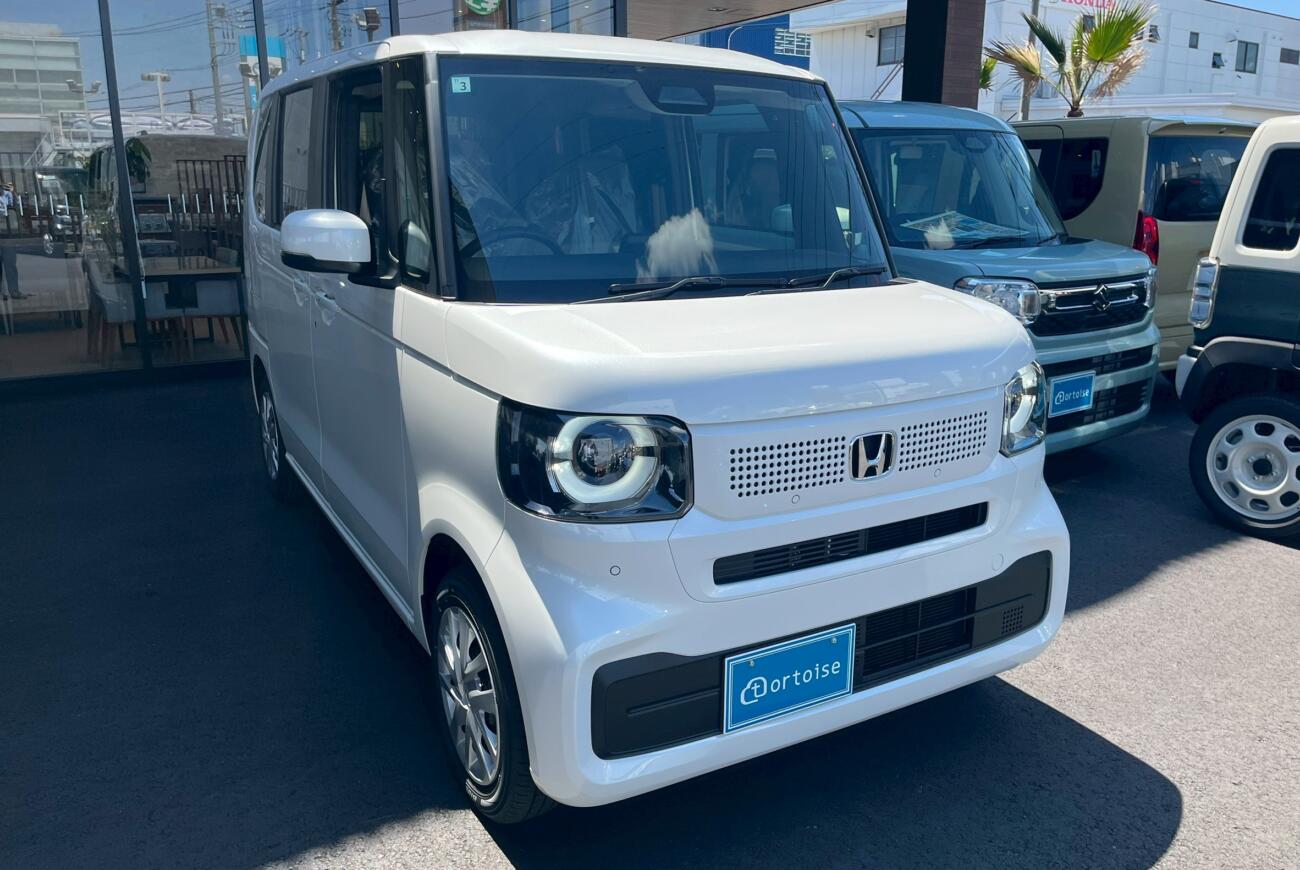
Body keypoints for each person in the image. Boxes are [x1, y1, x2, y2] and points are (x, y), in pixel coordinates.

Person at [0, 181, 27, 301]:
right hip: (5, 231)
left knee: (10, 264)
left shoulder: (7, 194)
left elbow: (18, 207)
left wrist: (13, 193)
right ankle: (3, 293)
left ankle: (14, 291)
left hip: (8, 233)